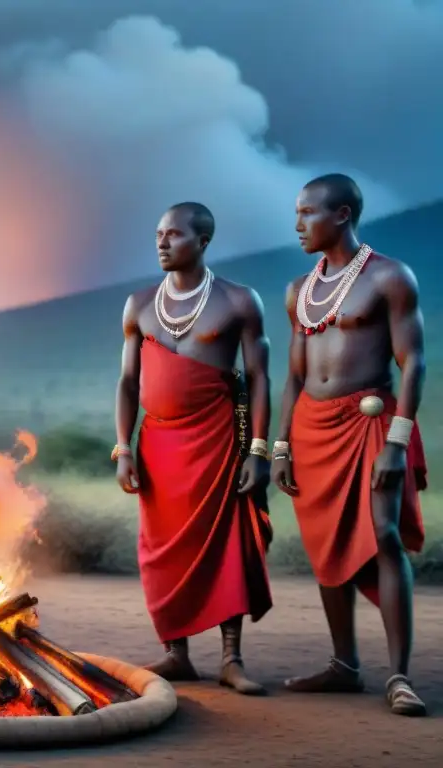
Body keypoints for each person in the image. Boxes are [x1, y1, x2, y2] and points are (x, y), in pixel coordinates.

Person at [273, 174, 427, 716]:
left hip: (370, 424)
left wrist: (398, 442)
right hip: (312, 430)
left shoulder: (390, 277)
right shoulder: (299, 290)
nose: (297, 225)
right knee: (326, 544)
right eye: (296, 214)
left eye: (307, 213)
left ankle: (400, 676)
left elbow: (414, 363)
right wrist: (281, 446)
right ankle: (345, 665)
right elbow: (292, 378)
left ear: (341, 214)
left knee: (383, 536)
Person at [114, 202, 274, 695]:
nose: (162, 242)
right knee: (160, 550)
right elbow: (126, 381)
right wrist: (123, 448)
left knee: (227, 542)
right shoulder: (139, 304)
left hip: (219, 442)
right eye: (158, 234)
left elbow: (260, 378)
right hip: (158, 446)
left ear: (203, 241)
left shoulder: (239, 301)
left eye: (175, 235)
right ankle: (176, 654)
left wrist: (259, 452)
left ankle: (231, 658)